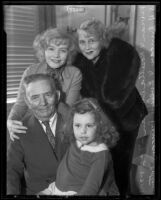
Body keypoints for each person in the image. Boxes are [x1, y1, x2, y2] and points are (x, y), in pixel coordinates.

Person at [72, 19, 148, 195]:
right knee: (102, 165)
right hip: (102, 119)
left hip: (126, 119)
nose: (87, 46)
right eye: (82, 42)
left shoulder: (117, 56)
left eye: (92, 40)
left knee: (120, 166)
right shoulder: (81, 62)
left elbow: (113, 97)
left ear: (103, 40)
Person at [7, 27, 82, 141]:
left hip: (60, 128)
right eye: (51, 49)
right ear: (43, 51)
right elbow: (21, 104)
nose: (56, 55)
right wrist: (11, 120)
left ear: (69, 53)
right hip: (31, 125)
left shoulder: (75, 73)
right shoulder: (30, 71)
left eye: (62, 50)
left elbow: (68, 111)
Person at [38, 98, 119, 196]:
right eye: (78, 125)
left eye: (89, 125)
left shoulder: (100, 154)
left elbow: (91, 188)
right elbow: (65, 111)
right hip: (55, 187)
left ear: (99, 125)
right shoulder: (77, 140)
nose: (82, 131)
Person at [7, 74, 70, 195]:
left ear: (57, 95)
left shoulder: (75, 122)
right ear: (27, 101)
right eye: (35, 97)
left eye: (48, 95)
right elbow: (11, 171)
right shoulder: (19, 129)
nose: (43, 103)